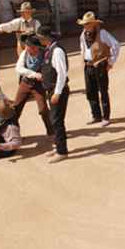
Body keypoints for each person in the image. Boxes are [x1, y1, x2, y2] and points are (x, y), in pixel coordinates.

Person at [78, 12, 120, 127]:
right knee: (90, 92)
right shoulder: (83, 34)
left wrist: (110, 62)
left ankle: (106, 117)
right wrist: (83, 60)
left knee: (103, 90)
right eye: (84, 24)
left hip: (100, 65)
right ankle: (96, 115)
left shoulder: (102, 33)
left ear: (93, 24)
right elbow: (82, 48)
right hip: (88, 66)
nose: (85, 26)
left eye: (87, 24)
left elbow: (116, 45)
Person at [36, 26, 70, 164]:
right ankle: (58, 146)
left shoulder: (57, 51)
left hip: (57, 90)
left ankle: (62, 151)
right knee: (54, 119)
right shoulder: (50, 49)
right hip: (51, 89)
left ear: (45, 38)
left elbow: (62, 73)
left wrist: (57, 92)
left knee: (57, 120)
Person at [13, 35, 52, 137]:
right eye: (30, 47)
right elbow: (19, 68)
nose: (32, 49)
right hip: (25, 83)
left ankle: (51, 130)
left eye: (34, 47)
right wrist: (34, 74)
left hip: (39, 85)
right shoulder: (24, 54)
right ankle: (14, 133)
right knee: (15, 109)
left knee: (43, 110)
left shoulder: (44, 54)